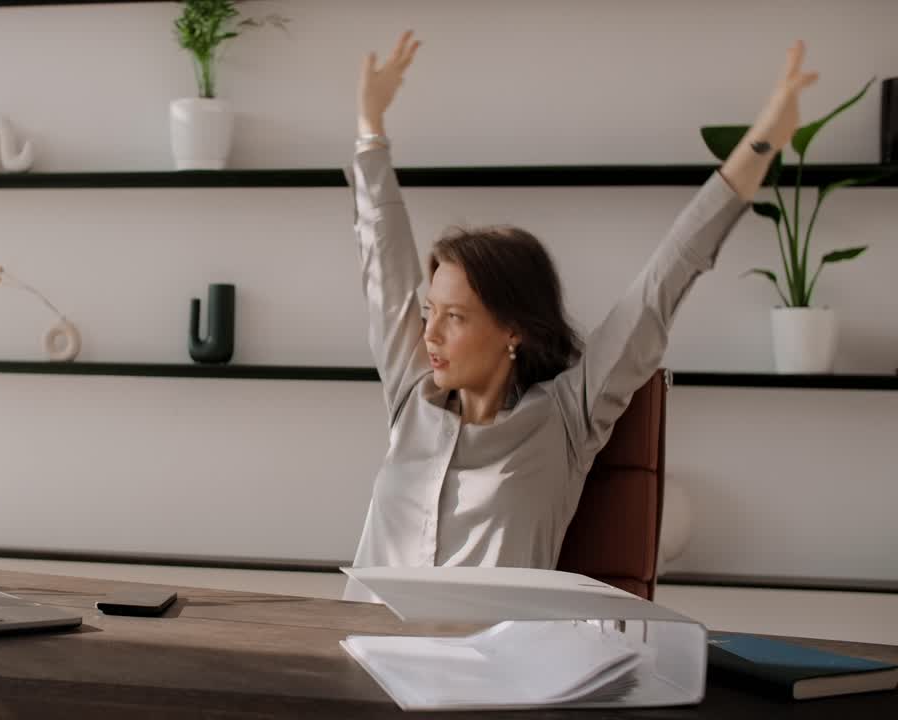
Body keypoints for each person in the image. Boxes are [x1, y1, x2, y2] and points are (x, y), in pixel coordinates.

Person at [344, 31, 819, 602]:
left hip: (491, 675)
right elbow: (383, 254)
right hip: (365, 655)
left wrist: (765, 139)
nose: (432, 333)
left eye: (456, 317)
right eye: (430, 312)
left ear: (512, 328)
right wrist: (370, 126)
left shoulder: (568, 417)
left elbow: (664, 281)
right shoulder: (411, 394)